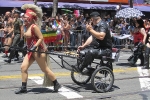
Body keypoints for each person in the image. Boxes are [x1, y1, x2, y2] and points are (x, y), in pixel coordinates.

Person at [15, 4, 61, 94]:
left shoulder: (34, 27)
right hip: (30, 51)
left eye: (26, 17)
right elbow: (28, 38)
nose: (24, 18)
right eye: (24, 17)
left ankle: (56, 83)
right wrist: (25, 45)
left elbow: (41, 38)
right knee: (23, 67)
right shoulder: (26, 26)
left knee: (45, 69)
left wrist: (34, 46)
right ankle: (23, 87)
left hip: (38, 51)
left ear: (31, 18)